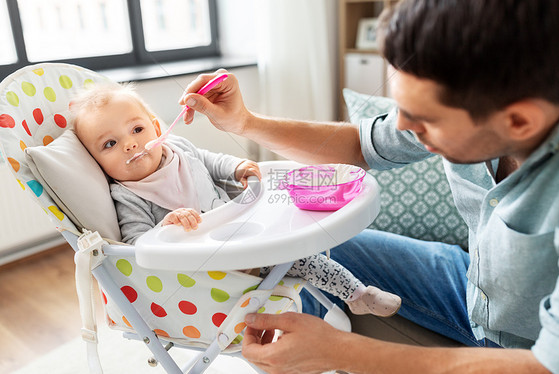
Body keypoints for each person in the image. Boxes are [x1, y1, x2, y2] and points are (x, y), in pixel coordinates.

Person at [177, 0, 559, 372]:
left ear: (520, 122)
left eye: (424, 120)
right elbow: (365, 144)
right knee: (303, 249)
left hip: (528, 347)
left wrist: (342, 353)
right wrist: (244, 122)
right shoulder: (480, 105)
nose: (403, 127)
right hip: (471, 287)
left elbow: (548, 365)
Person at [69, 83, 402, 318]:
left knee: (296, 243)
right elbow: (137, 246)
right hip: (213, 265)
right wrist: (166, 226)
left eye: (137, 130)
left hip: (241, 227)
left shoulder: (180, 150)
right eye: (109, 144)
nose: (129, 144)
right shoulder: (127, 195)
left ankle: (357, 294)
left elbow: (212, 161)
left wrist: (237, 166)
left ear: (158, 128)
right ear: (96, 162)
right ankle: (356, 294)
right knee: (298, 258)